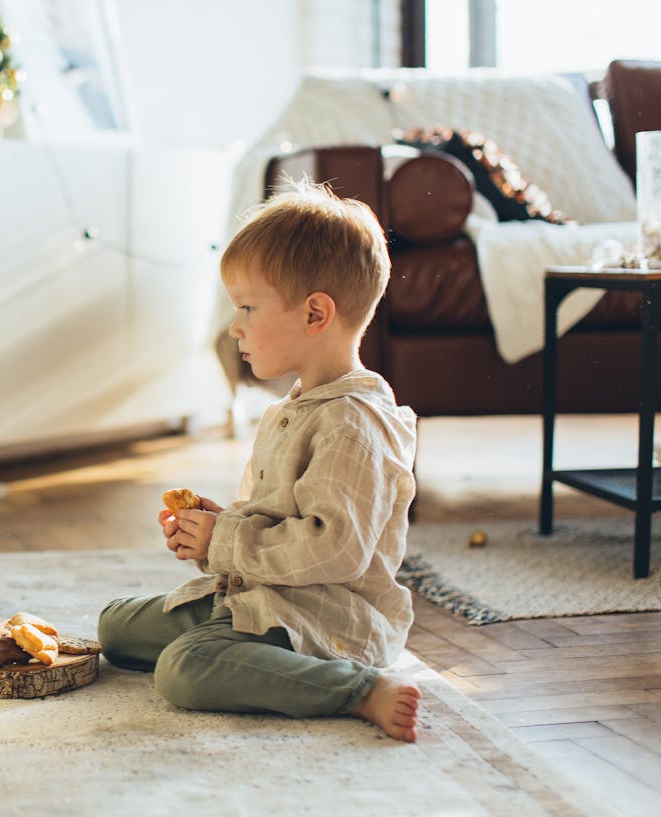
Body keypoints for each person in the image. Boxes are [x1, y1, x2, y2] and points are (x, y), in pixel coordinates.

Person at [97, 181, 422, 742]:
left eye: (248, 307)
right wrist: (216, 528)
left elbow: (335, 549)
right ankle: (242, 656)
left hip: (323, 619)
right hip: (267, 596)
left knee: (184, 670)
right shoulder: (295, 408)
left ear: (315, 314)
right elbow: (280, 518)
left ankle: (355, 689)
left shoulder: (353, 423)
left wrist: (224, 541)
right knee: (115, 625)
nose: (235, 326)